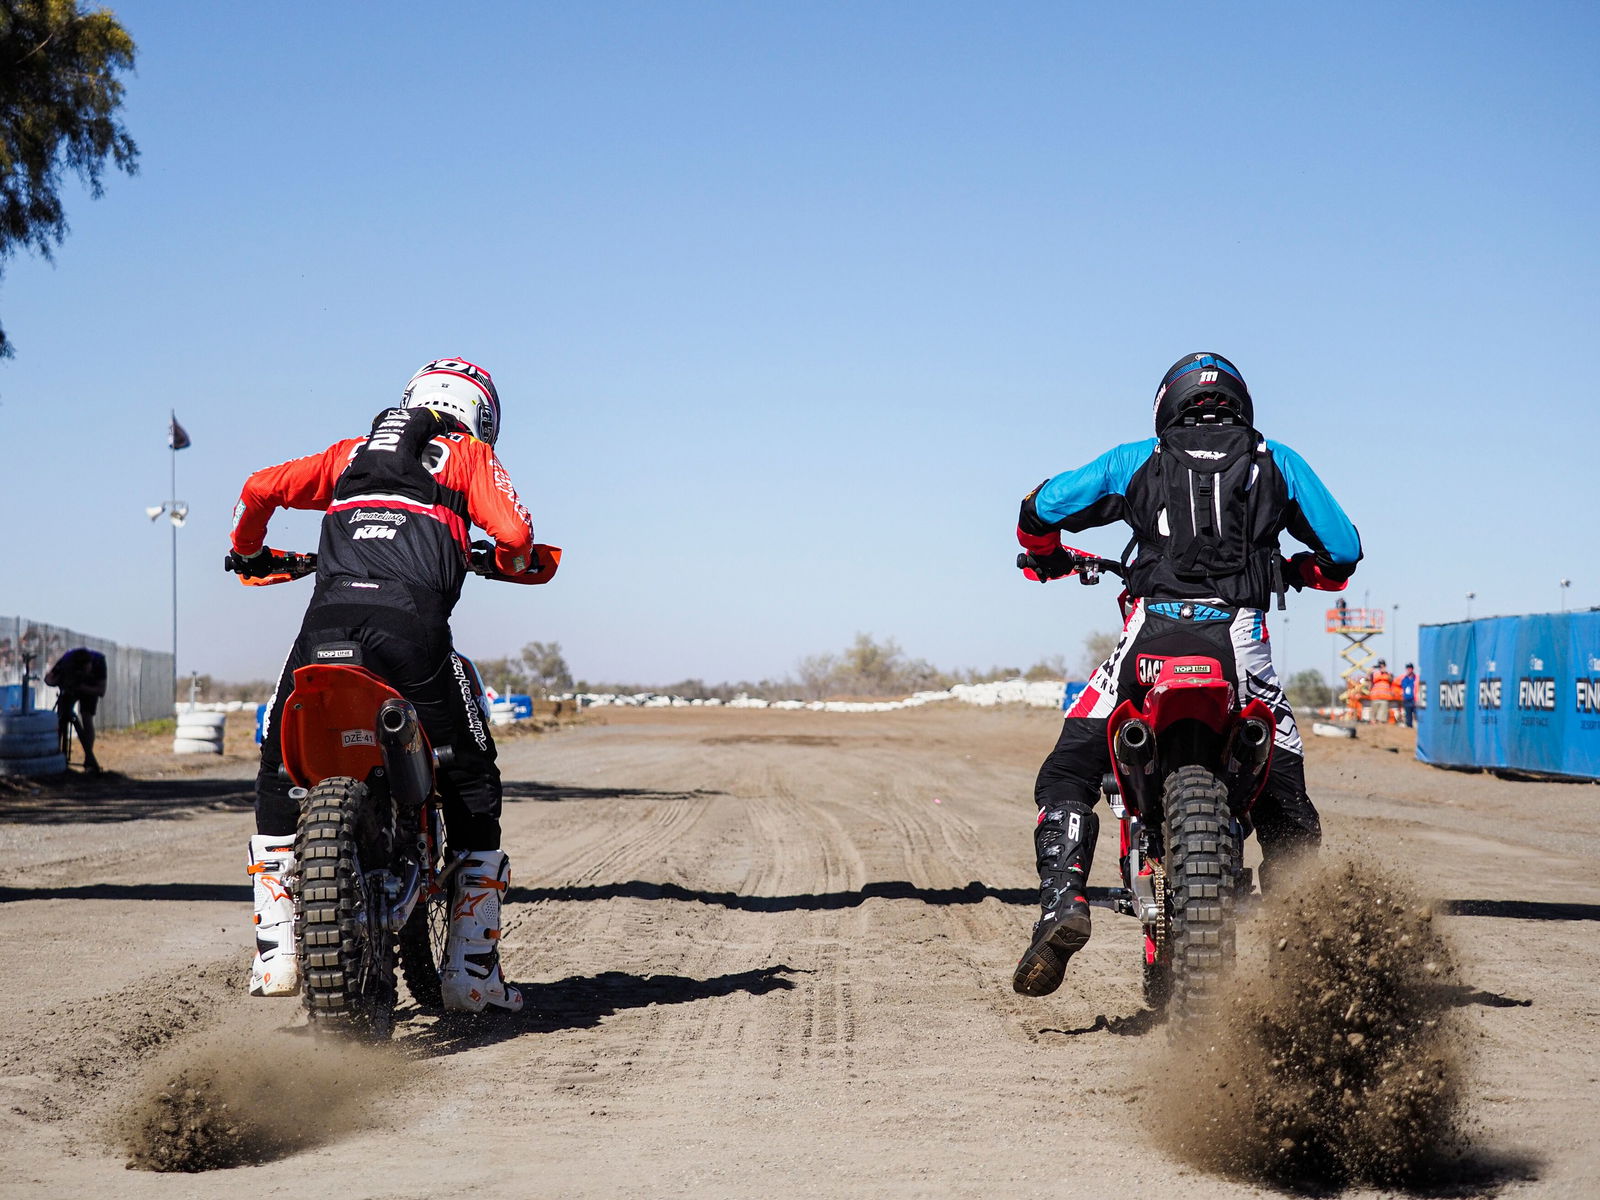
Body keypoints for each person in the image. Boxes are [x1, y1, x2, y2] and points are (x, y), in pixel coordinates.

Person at [1011, 352, 1362, 997]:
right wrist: (1302, 572)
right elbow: (1343, 551)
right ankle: (1304, 940)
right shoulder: (1276, 460)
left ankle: (1064, 904)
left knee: (1069, 767)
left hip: (1152, 636)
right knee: (1283, 785)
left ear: (1167, 406)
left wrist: (1045, 554)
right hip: (1242, 643)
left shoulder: (1136, 458)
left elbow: (1043, 506)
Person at [228, 358, 540, 1012]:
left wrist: (251, 551)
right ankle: (471, 971)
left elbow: (257, 489)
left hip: (324, 629)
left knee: (277, 764)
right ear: (481, 415)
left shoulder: (350, 456)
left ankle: (278, 948)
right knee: (472, 776)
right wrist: (509, 560)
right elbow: (514, 534)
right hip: (411, 635)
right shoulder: (467, 457)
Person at [44, 647, 107, 773]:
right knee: (60, 717)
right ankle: (55, 755)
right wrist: (59, 682)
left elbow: (101, 691)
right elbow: (48, 679)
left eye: (85, 671)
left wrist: (81, 686)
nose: (83, 674)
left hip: (89, 688)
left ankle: (89, 759)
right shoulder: (67, 660)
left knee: (87, 717)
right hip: (70, 688)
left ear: (90, 664)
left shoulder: (99, 661)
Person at [1369, 660, 1394, 725]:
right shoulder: (1374, 673)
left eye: (1382, 665)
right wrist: (1371, 671)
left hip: (1384, 697)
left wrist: (1385, 673)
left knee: (1382, 716)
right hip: (1375, 697)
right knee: (1373, 715)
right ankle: (1373, 725)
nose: (1381, 666)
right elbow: (1369, 680)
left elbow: (1391, 680)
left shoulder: (1388, 673)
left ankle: (1380, 727)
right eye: (1380, 665)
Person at [1400, 663, 1418, 728]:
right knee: (1408, 717)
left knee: (1418, 715)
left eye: (1410, 668)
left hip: (1414, 700)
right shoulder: (1404, 679)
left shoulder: (1416, 678)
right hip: (1407, 700)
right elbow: (1403, 687)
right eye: (1407, 668)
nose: (1408, 670)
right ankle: (1409, 727)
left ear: (1412, 669)